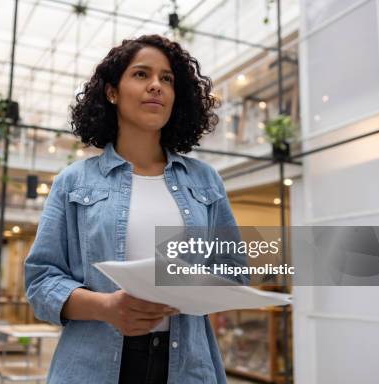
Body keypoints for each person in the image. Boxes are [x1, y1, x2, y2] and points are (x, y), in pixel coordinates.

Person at [24, 34, 248, 384]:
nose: (156, 86)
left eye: (167, 79)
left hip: (186, 366)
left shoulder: (205, 181)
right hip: (95, 366)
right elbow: (41, 281)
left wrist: (190, 288)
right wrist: (107, 308)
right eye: (141, 75)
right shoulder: (75, 182)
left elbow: (233, 271)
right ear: (112, 92)